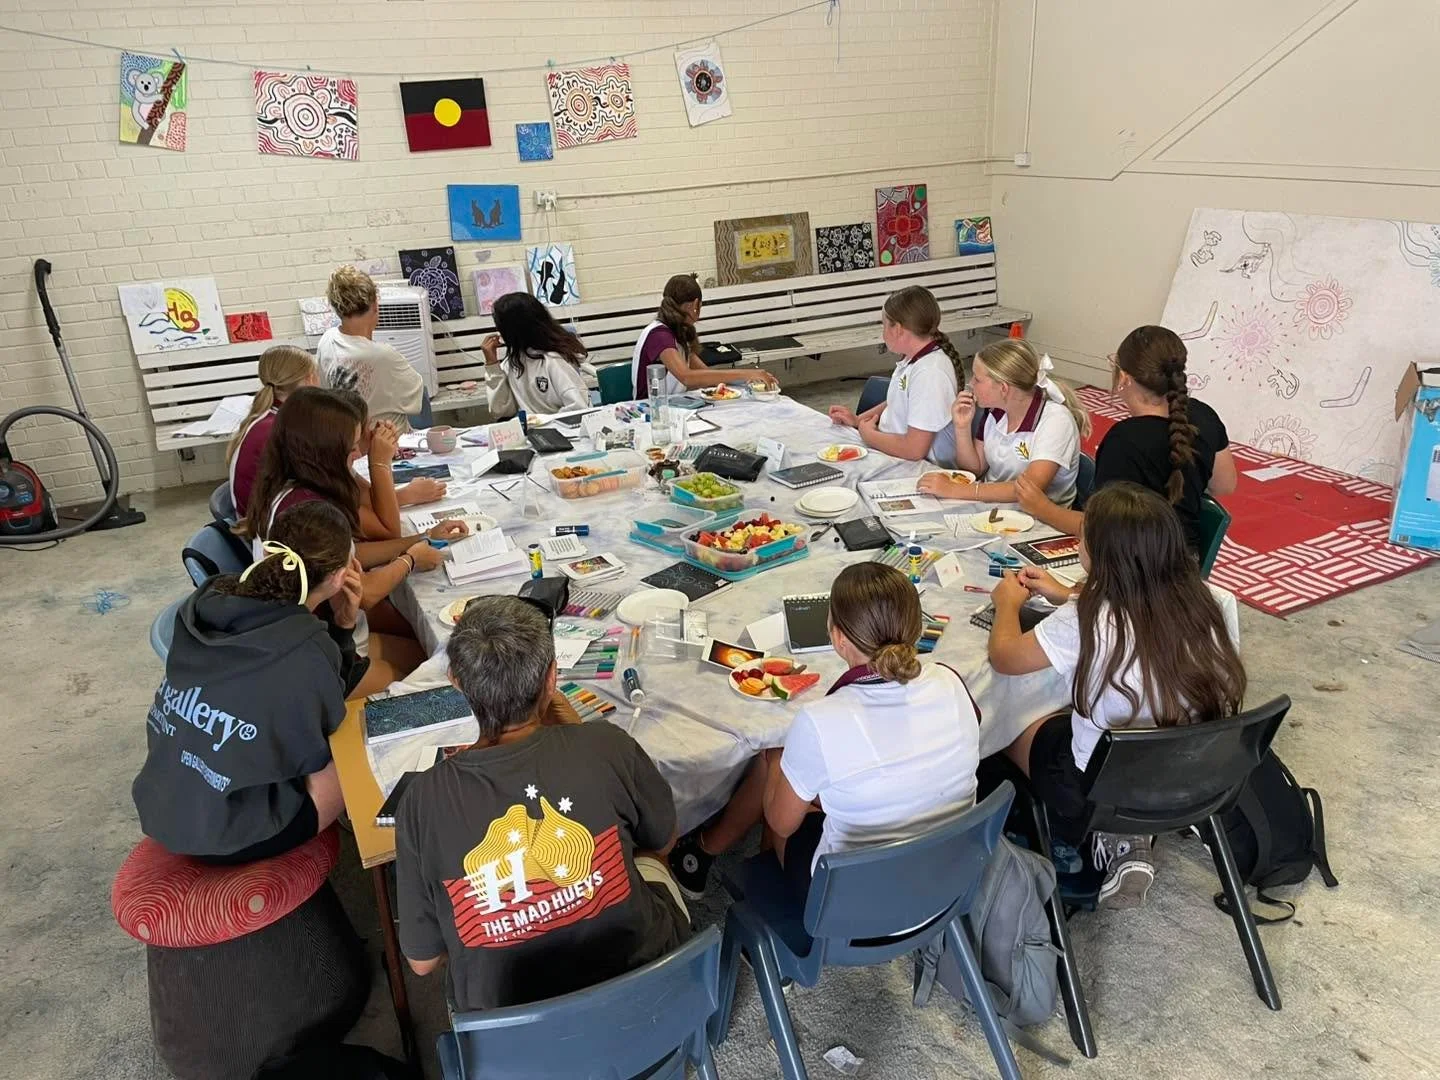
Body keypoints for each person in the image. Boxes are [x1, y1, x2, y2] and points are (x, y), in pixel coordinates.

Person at [396, 596, 692, 1010]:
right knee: (644, 854)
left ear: (456, 682)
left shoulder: (419, 801)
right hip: (653, 1003)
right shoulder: (607, 745)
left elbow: (423, 961)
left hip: (515, 1039)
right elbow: (663, 840)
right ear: (552, 678)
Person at [987, 483, 1246, 908]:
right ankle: (1130, 834)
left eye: (1083, 539)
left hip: (1097, 787)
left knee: (1011, 722)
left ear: (1099, 556)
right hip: (1196, 774)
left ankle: (1104, 831)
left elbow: (1005, 658)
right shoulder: (1215, 601)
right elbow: (1142, 602)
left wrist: (1007, 604)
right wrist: (1066, 592)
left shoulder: (1088, 617)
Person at [667, 563, 980, 902]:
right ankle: (706, 850)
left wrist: (778, 758)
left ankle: (744, 879)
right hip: (948, 873)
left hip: (853, 902)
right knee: (805, 775)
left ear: (838, 637)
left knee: (776, 759)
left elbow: (781, 822)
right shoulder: (949, 680)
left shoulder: (821, 720)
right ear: (917, 627)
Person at [133, 501, 364, 863]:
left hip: (162, 801)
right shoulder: (307, 649)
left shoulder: (210, 597)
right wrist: (344, 627)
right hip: (229, 835)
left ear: (270, 552)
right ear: (338, 577)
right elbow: (319, 744)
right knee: (358, 749)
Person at [236, 388, 466, 696]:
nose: (358, 453)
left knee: (429, 650)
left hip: (321, 635)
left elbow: (355, 553)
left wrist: (422, 538)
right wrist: (410, 559)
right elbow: (364, 592)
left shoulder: (292, 486)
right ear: (325, 452)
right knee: (441, 678)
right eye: (351, 447)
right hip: (320, 654)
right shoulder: (309, 510)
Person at [1014, 325, 1238, 553]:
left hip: (1136, 563)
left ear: (1123, 378)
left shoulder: (1123, 441)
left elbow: (1099, 529)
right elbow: (1225, 485)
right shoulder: (1205, 416)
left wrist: (1042, 508)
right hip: (1186, 556)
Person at [917, 338, 1089, 507]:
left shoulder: (1056, 421)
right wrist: (962, 427)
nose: (971, 383)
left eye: (977, 379)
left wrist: (955, 490)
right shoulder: (995, 410)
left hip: (1039, 518)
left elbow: (1029, 489)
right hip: (996, 507)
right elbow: (974, 469)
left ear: (1003, 388)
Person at [828, 286, 965, 465]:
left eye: (884, 325)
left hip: (919, 466)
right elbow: (897, 401)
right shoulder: (914, 358)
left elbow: (914, 449)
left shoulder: (930, 372)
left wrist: (869, 435)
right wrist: (857, 420)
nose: (882, 332)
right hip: (894, 452)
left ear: (898, 329)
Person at [631, 274, 779, 398]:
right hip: (650, 410)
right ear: (695, 305)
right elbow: (687, 377)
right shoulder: (660, 336)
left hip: (672, 404)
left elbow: (706, 374)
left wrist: (746, 381)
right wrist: (749, 373)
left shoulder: (677, 332)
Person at [317, 266, 426, 430]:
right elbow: (417, 399)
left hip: (344, 438)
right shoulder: (384, 356)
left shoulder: (327, 340)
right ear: (375, 304)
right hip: (388, 441)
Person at [227, 345, 321, 515]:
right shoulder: (286, 429)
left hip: (255, 515)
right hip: (266, 524)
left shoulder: (268, 416)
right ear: (310, 379)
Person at [481, 292, 592, 417]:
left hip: (560, 427)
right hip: (534, 427)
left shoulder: (553, 360)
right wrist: (492, 365)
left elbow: (579, 407)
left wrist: (545, 422)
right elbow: (501, 411)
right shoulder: (513, 362)